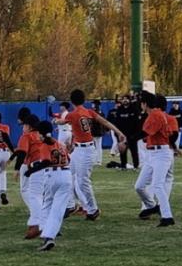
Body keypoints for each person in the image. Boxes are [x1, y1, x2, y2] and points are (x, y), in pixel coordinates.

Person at [53, 89, 127, 221]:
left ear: (72, 101)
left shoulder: (73, 114)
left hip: (84, 150)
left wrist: (55, 121)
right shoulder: (88, 112)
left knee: (82, 182)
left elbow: (61, 122)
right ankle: (72, 205)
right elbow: (105, 122)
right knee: (68, 176)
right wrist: (119, 132)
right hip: (82, 148)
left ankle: (93, 209)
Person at [24, 121, 73, 252]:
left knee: (47, 206)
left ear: (41, 133)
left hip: (53, 175)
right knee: (58, 209)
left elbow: (46, 162)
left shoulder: (45, 145)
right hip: (66, 174)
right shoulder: (60, 144)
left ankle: (47, 234)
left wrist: (31, 170)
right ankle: (48, 232)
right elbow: (69, 159)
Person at [134, 91, 177, 227]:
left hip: (161, 153)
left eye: (141, 102)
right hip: (153, 153)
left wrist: (125, 141)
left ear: (145, 104)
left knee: (158, 185)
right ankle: (152, 206)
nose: (140, 105)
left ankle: (167, 217)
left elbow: (144, 133)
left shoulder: (156, 115)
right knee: (139, 186)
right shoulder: (154, 114)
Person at [12, 114, 45, 240]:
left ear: (29, 126)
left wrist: (16, 169)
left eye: (24, 125)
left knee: (32, 194)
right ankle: (46, 222)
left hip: (36, 166)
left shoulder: (27, 136)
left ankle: (38, 222)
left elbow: (22, 153)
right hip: (50, 166)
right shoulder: (42, 135)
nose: (23, 128)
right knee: (43, 196)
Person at [90, 99, 106, 165]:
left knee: (98, 146)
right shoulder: (96, 111)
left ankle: (99, 160)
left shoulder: (98, 112)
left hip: (97, 131)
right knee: (94, 146)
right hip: (94, 131)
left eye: (93, 104)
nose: (92, 105)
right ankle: (95, 160)